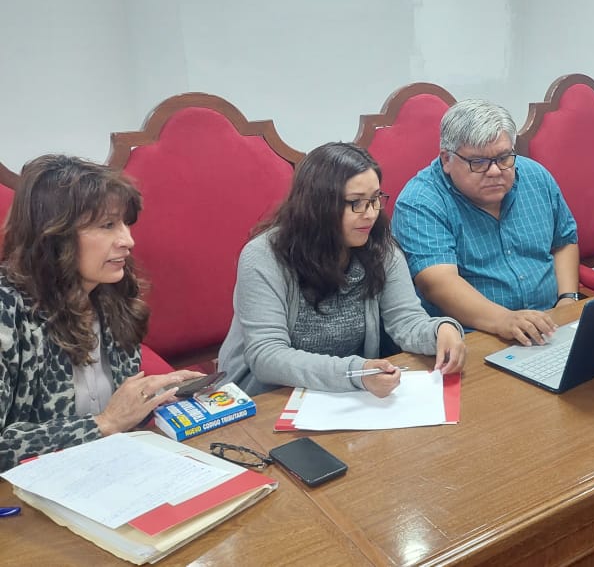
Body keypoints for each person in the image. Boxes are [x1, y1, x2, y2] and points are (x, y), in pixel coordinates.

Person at [0, 156, 204, 471]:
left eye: (125, 224)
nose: (128, 240)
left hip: (110, 472)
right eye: (107, 225)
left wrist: (154, 396)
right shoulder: (7, 310)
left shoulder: (112, 293)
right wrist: (105, 423)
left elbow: (115, 413)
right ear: (55, 235)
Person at [217, 143, 466, 397]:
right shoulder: (264, 256)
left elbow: (406, 321)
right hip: (265, 398)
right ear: (318, 206)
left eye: (375, 199)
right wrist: (355, 372)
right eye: (356, 203)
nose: (370, 214)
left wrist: (440, 331)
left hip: (345, 394)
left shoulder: (380, 247)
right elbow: (267, 356)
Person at [393, 100, 579, 347]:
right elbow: (437, 283)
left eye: (504, 157)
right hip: (473, 336)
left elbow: (564, 241)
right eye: (478, 162)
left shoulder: (535, 176)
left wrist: (567, 299)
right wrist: (505, 320)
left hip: (549, 325)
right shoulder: (420, 201)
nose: (494, 171)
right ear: (447, 159)